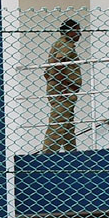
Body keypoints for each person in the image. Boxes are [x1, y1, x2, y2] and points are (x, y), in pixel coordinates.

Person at [42, 19, 83, 153]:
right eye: (77, 30)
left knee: (67, 124)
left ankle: (71, 151)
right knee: (59, 123)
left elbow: (49, 70)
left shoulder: (58, 44)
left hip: (59, 87)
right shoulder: (67, 44)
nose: (80, 34)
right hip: (63, 90)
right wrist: (62, 85)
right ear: (70, 31)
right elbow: (58, 62)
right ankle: (48, 154)